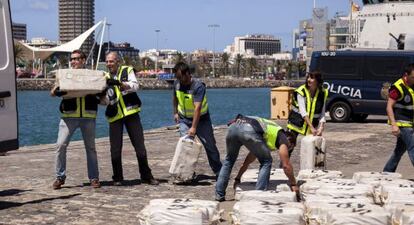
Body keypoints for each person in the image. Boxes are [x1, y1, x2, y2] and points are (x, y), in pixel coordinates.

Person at [215, 114, 298, 202]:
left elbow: (248, 160)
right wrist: (293, 184)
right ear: (290, 143)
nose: (287, 150)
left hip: (233, 127)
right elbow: (286, 166)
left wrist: (238, 178)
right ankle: (259, 195)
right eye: (290, 148)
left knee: (229, 160)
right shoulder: (283, 138)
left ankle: (219, 195)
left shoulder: (268, 135)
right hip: (249, 129)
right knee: (266, 161)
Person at [104, 52, 158, 186]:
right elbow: (104, 99)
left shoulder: (127, 70)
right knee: (115, 149)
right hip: (115, 115)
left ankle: (146, 175)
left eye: (111, 61)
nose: (109, 64)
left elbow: (135, 86)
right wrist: (101, 100)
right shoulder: (104, 77)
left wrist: (122, 85)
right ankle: (117, 177)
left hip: (131, 113)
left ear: (118, 62)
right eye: (107, 61)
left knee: (140, 147)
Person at [51, 50, 100, 189]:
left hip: (88, 116)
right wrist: (57, 91)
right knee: (60, 146)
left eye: (76, 59)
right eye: (72, 59)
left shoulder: (92, 75)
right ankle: (60, 177)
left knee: (91, 148)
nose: (73, 61)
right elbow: (52, 92)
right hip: (68, 116)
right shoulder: (65, 75)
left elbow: (101, 90)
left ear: (83, 60)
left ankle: (94, 178)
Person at [172, 62, 222, 177]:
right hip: (184, 119)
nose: (180, 80)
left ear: (188, 73)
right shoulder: (177, 84)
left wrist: (194, 127)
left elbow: (197, 108)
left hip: (202, 120)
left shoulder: (198, 86)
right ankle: (187, 173)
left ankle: (219, 172)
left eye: (181, 77)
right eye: (178, 78)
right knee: (186, 147)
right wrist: (175, 112)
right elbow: (174, 98)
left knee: (210, 146)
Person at [286, 71, 328, 156]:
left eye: (312, 78)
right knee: (288, 147)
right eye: (308, 77)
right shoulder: (301, 91)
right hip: (296, 124)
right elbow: (303, 112)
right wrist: (312, 127)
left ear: (317, 80)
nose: (309, 79)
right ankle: (283, 167)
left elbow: (322, 112)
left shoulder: (323, 93)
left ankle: (309, 168)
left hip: (311, 125)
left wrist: (321, 127)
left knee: (312, 149)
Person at [383, 64, 414, 172]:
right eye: (413, 77)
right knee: (413, 147)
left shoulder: (412, 85)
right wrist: (394, 125)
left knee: (399, 151)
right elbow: (389, 107)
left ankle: (387, 173)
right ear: (406, 75)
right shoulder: (398, 87)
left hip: (410, 123)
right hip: (403, 124)